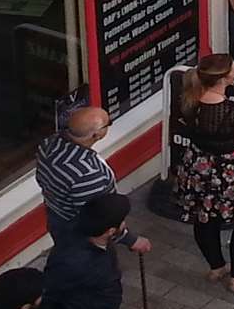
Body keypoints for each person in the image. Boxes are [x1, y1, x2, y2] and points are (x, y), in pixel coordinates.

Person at [173, 54, 234, 293]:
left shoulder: (188, 101)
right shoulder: (232, 110)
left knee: (204, 216)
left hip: (199, 167)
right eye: (233, 67)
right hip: (233, 170)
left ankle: (217, 266)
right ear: (224, 79)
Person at [36, 107, 152, 255]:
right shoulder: (87, 174)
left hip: (56, 216)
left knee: (65, 253)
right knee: (93, 267)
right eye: (108, 123)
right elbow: (100, 218)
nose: (110, 124)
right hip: (80, 232)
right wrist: (130, 240)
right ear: (96, 135)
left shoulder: (49, 144)